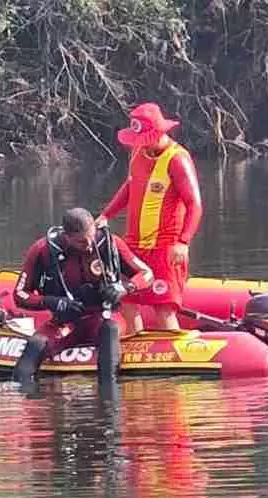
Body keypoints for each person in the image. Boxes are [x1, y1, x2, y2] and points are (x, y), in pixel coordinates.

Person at [12, 207, 154, 384]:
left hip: (103, 317)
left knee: (109, 330)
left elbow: (147, 274)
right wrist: (51, 302)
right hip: (65, 321)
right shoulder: (43, 250)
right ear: (67, 236)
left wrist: (125, 287)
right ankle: (29, 399)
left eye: (91, 238)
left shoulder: (110, 244)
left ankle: (109, 399)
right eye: (81, 242)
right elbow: (19, 294)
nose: (88, 245)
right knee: (35, 346)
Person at [95, 102, 202, 332]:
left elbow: (195, 204)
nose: (140, 145)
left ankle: (172, 357)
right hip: (134, 244)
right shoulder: (137, 152)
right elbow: (130, 187)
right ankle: (138, 349)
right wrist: (106, 214)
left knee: (164, 308)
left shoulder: (177, 159)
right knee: (126, 301)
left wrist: (183, 242)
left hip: (165, 245)